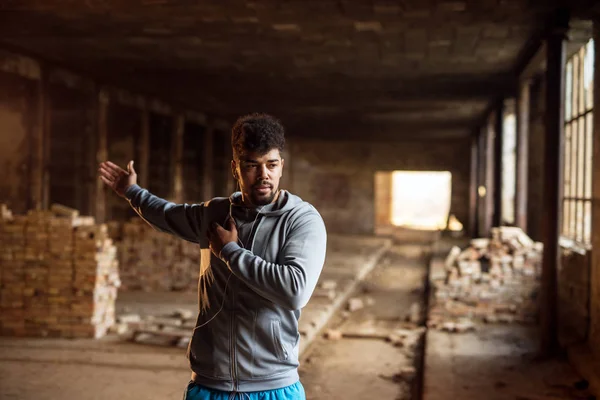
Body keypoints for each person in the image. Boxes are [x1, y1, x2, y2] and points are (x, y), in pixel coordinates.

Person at [98, 113, 327, 400]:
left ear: (281, 166)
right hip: (210, 385)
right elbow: (167, 215)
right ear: (236, 168)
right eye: (252, 165)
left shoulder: (301, 220)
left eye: (271, 164)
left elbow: (295, 290)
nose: (263, 175)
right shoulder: (216, 214)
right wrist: (131, 191)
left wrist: (230, 252)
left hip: (273, 386)